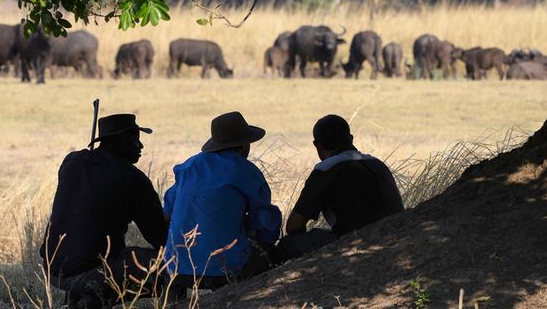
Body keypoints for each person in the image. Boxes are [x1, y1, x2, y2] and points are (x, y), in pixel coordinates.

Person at [40, 113, 168, 309]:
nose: (141, 147)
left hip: (52, 270)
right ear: (121, 141)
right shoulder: (132, 178)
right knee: (172, 268)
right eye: (135, 140)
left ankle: (91, 300)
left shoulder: (72, 162)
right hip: (88, 271)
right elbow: (159, 237)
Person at [163, 111, 282, 291]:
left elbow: (167, 211)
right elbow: (266, 223)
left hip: (177, 267)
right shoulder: (246, 171)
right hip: (225, 270)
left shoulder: (189, 166)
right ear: (243, 146)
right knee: (271, 255)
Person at [278, 114, 404, 260]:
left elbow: (293, 225)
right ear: (350, 139)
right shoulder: (377, 164)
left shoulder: (326, 170)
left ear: (317, 145)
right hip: (396, 235)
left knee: (288, 244)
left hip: (355, 242)